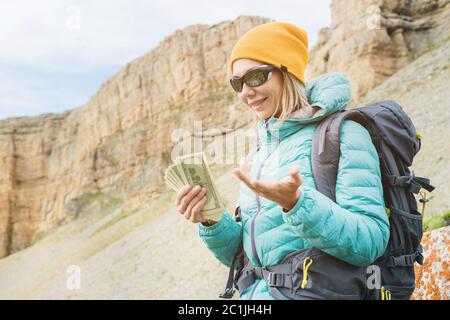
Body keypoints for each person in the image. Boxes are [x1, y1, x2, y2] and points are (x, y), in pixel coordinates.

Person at [175, 21, 390, 299]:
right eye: (237, 83)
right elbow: (247, 258)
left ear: (286, 72)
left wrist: (297, 204)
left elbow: (370, 241)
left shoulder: (343, 132)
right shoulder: (259, 150)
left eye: (254, 78)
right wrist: (212, 221)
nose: (245, 93)